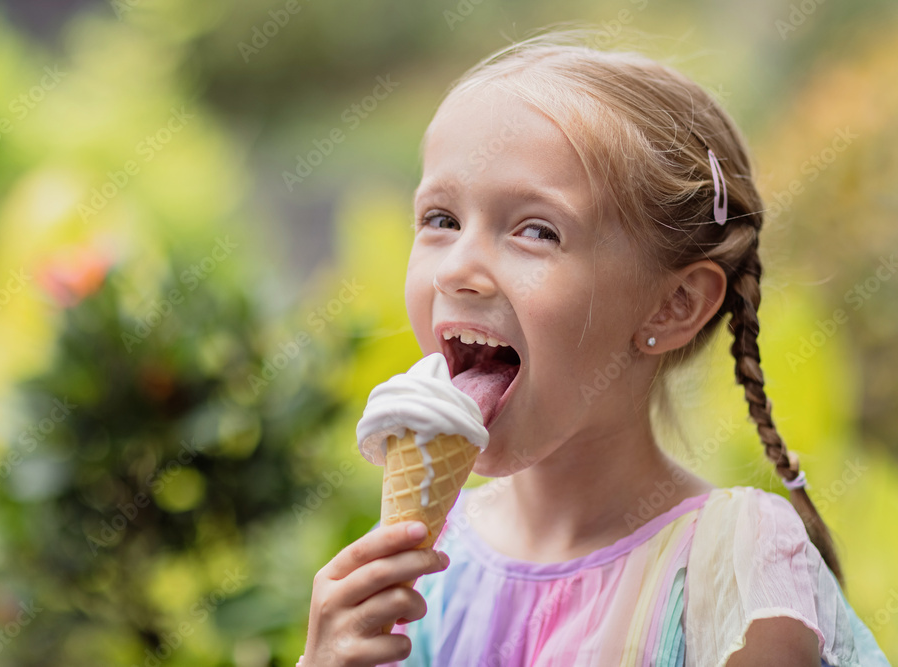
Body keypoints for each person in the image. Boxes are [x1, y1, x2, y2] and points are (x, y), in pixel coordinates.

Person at [300, 31, 891, 666]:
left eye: (536, 230)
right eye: (441, 219)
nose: (458, 269)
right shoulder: (431, 562)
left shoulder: (736, 567)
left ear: (674, 304)